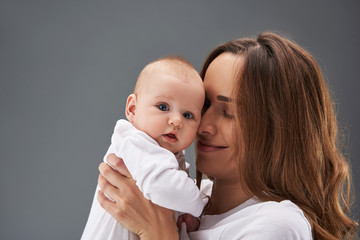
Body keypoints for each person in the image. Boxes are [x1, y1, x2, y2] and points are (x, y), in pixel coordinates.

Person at [96, 32, 359, 239]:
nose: (201, 126)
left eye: (229, 112)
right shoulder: (189, 199)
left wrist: (159, 233)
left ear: (277, 129)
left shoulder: (276, 226)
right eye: (203, 108)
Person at [81, 56, 206, 240]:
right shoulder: (133, 141)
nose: (177, 121)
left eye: (188, 115)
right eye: (163, 107)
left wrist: (186, 215)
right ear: (132, 109)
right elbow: (164, 187)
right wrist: (197, 205)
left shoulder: (168, 154)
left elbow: (171, 196)